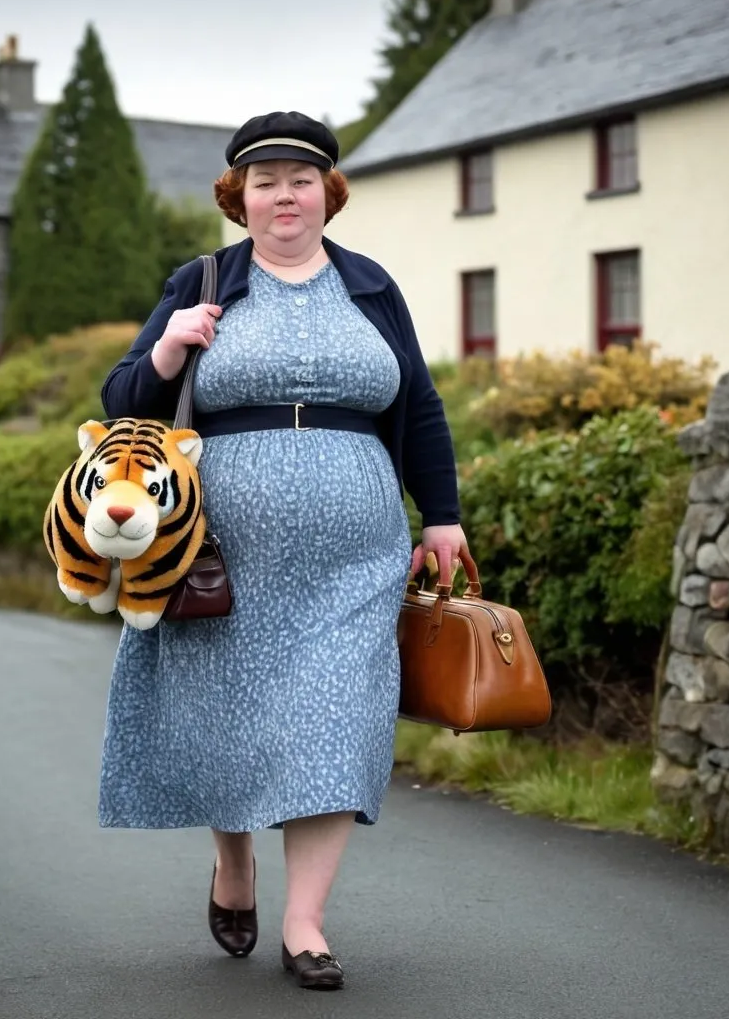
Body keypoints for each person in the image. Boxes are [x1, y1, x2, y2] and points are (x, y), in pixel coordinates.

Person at [97, 110, 471, 991]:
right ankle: (234, 865)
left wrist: (442, 514)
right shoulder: (204, 280)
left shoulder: (371, 287)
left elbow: (417, 403)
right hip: (221, 551)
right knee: (224, 718)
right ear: (240, 197)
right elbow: (121, 405)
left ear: (327, 193)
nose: (284, 195)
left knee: (340, 718)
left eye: (300, 179)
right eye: (264, 182)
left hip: (357, 553)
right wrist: (168, 348)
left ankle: (306, 923)